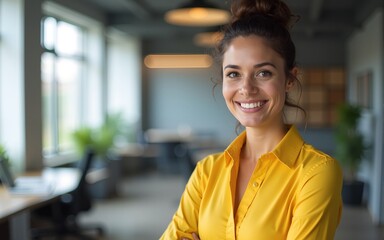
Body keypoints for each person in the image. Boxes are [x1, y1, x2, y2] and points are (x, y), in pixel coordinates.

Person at [160, 0, 343, 239]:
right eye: (234, 74)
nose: (246, 88)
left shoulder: (316, 173)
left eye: (263, 73)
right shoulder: (206, 172)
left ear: (289, 79)